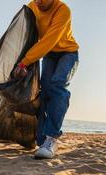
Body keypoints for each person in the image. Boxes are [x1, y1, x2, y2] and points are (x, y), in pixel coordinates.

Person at [15, 0, 79, 159]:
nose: (39, 1)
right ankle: (42, 138)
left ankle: (51, 138)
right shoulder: (31, 7)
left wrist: (25, 62)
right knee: (43, 92)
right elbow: (21, 33)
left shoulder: (63, 10)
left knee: (57, 85)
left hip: (68, 53)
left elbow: (49, 40)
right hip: (49, 56)